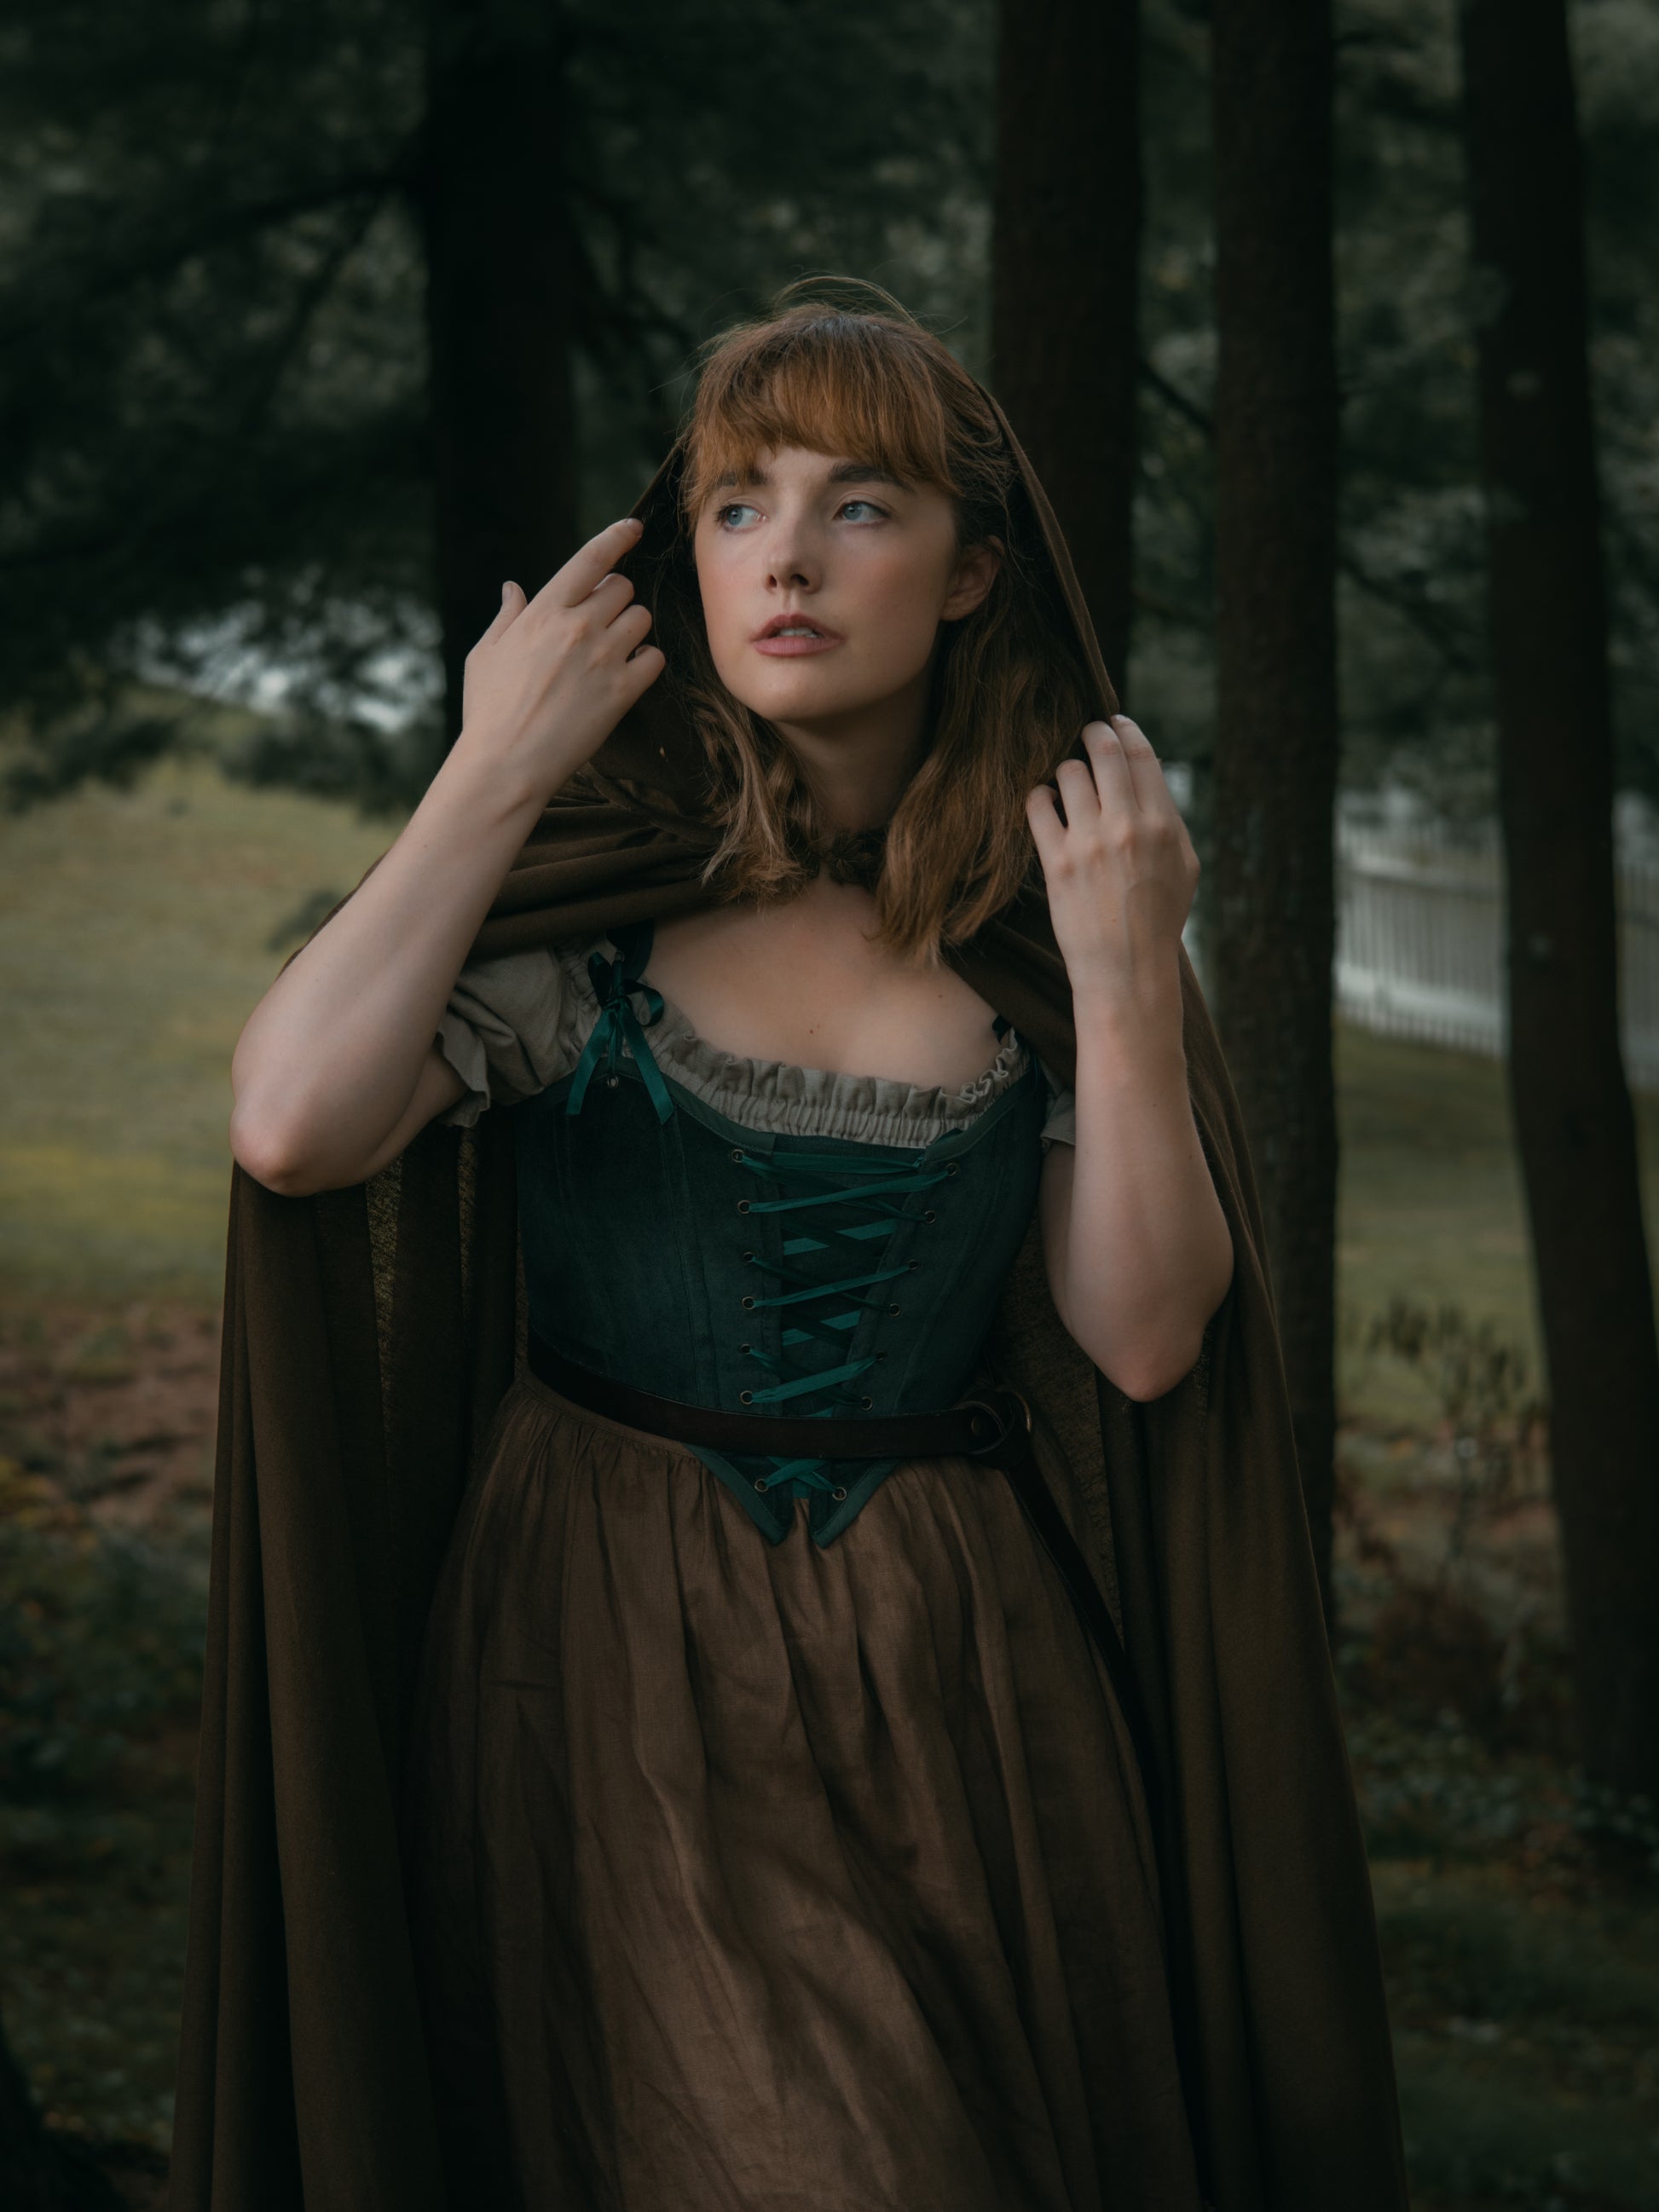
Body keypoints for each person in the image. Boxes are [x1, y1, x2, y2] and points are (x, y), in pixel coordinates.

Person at [175, 286, 1408, 2212]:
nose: (788, 557)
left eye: (861, 505)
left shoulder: (1048, 925)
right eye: (739, 505)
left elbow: (1151, 1341)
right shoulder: (592, 910)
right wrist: (492, 767)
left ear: (973, 569)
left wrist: (1127, 983)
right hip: (604, 1640)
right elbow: (289, 1123)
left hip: (958, 1675)